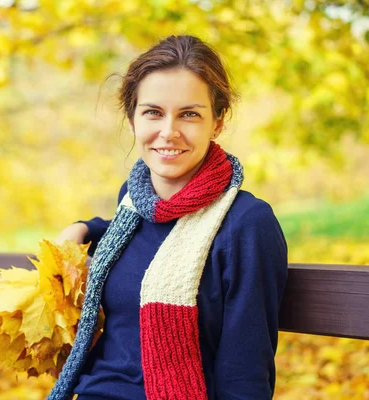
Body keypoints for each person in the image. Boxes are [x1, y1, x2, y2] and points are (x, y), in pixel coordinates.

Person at [49, 35, 288, 400]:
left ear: (218, 122)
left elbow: (246, 376)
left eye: (189, 114)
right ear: (131, 119)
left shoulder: (246, 225)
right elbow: (138, 235)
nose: (169, 131)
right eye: (153, 112)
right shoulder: (131, 207)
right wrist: (84, 228)